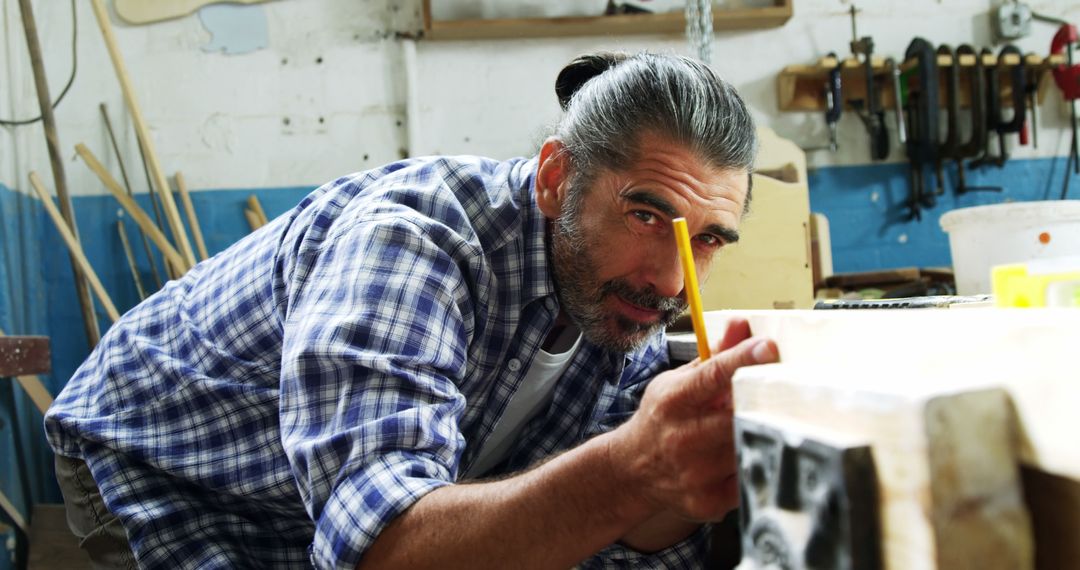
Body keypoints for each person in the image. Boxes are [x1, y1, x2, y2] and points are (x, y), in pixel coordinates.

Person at [44, 50, 777, 569]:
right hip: (165, 464)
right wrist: (631, 468)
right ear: (557, 178)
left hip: (326, 507)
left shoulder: (629, 295)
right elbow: (381, 547)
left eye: (708, 239)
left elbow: (616, 539)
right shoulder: (412, 241)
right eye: (648, 216)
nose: (675, 282)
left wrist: (686, 478)